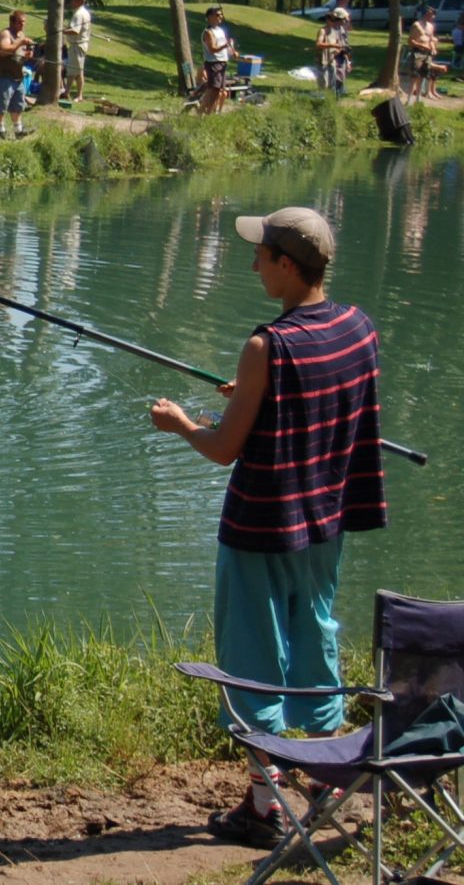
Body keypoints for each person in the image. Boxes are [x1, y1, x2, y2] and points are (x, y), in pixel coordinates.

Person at [148, 208, 384, 847]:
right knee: (316, 637)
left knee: (252, 659)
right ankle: (329, 774)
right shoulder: (357, 328)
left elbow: (225, 449)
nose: (253, 263)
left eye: (261, 254)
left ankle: (264, 805)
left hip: (260, 528)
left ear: (287, 264)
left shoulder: (266, 346)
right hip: (325, 525)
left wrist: (181, 423)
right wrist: (251, 395)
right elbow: (314, 401)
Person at [0, 11, 34, 139]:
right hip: (3, 75)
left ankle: (18, 131)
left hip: (17, 76)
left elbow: (19, 55)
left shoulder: (21, 35)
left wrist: (27, 56)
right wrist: (20, 43)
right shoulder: (5, 34)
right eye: (20, 22)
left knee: (18, 104)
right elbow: (4, 51)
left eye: (24, 22)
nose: (23, 25)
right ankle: (0, 130)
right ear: (12, 22)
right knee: (1, 104)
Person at [200, 5, 236, 115]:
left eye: (221, 15)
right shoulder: (208, 32)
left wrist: (232, 51)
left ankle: (208, 114)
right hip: (213, 63)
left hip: (222, 63)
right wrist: (225, 45)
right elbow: (212, 49)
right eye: (218, 15)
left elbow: (226, 45)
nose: (221, 17)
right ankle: (200, 112)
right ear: (210, 17)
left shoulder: (220, 30)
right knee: (213, 90)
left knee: (218, 91)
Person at [64, 0, 93, 102]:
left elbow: (75, 31)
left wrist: (63, 31)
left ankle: (73, 94)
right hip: (81, 45)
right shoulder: (85, 13)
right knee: (76, 71)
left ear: (80, 1)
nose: (71, 2)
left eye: (73, 0)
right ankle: (73, 93)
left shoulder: (78, 14)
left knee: (75, 72)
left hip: (77, 46)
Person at [315, 9, 351, 97]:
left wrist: (338, 50)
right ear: (328, 20)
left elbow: (339, 45)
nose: (335, 22)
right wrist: (332, 45)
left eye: (335, 20)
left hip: (332, 61)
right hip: (323, 61)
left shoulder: (335, 31)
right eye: (333, 20)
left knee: (332, 84)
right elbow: (318, 44)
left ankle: (331, 101)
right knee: (324, 84)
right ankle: (321, 101)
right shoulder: (323, 31)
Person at [407, 5, 439, 103]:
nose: (432, 16)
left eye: (433, 15)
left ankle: (418, 98)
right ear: (426, 14)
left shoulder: (431, 26)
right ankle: (409, 99)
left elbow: (431, 39)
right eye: (431, 14)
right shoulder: (416, 25)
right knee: (415, 75)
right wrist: (421, 45)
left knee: (423, 75)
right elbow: (410, 40)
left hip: (427, 53)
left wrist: (433, 48)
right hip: (418, 52)